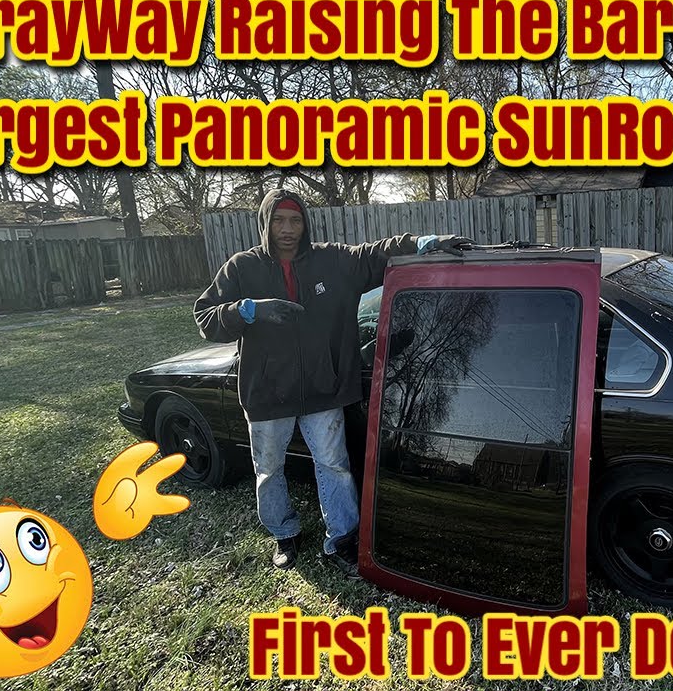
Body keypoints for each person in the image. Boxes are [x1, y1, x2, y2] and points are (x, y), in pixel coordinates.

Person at [193, 188, 471, 575]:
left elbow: (376, 252)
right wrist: (247, 310)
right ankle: (284, 533)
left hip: (322, 390)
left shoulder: (332, 260)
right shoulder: (243, 267)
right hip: (268, 393)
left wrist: (424, 242)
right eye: (278, 220)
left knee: (334, 465)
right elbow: (206, 317)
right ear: (265, 223)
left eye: (295, 220)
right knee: (269, 469)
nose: (287, 229)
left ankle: (341, 539)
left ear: (305, 223)